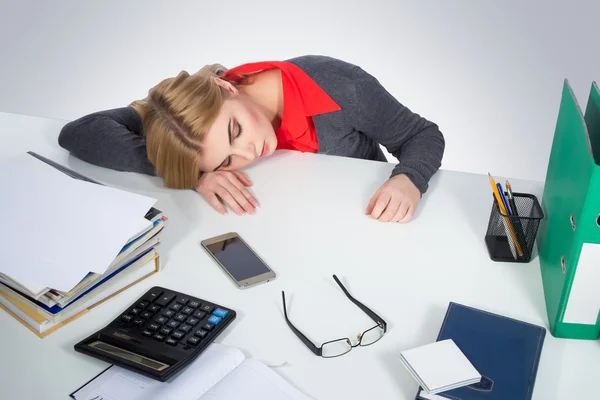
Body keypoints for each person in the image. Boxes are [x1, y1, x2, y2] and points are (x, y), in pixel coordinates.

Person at [58, 55, 445, 223]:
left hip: (365, 216)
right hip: (285, 225)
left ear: (226, 88)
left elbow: (422, 134)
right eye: (226, 161)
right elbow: (79, 133)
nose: (248, 152)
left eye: (235, 130)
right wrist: (193, 172)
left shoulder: (343, 87)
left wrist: (408, 178)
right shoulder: (178, 122)